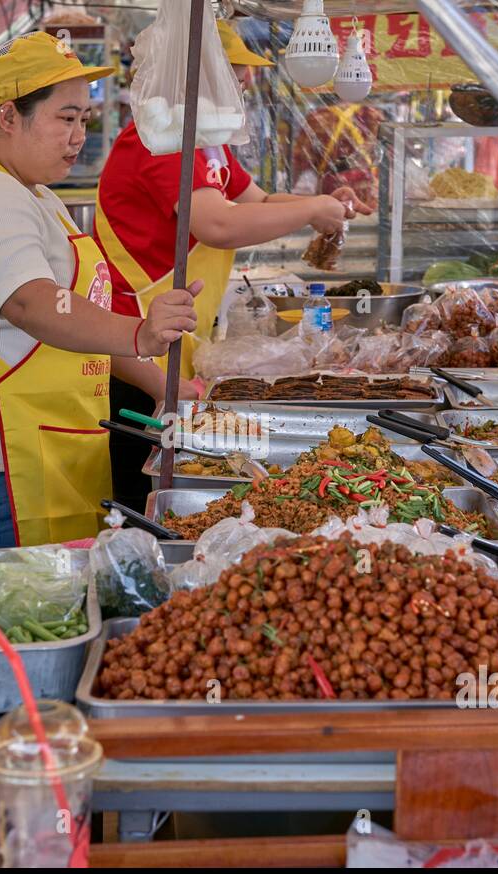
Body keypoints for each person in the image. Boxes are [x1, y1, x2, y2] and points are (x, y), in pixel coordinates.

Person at [0, 32, 200, 546]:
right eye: (66, 118)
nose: (78, 137)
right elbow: (32, 303)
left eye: (84, 120)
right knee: (17, 612)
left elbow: (84, 317)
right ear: (7, 116)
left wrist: (164, 385)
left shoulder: (38, 195)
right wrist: (141, 332)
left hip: (57, 447)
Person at [94, 18, 371, 510]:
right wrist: (310, 211)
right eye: (234, 70)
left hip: (176, 335)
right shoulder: (161, 139)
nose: (245, 81)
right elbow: (217, 225)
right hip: (135, 348)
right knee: (150, 499)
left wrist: (325, 203)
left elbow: (258, 201)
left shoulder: (207, 141)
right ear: (194, 75)